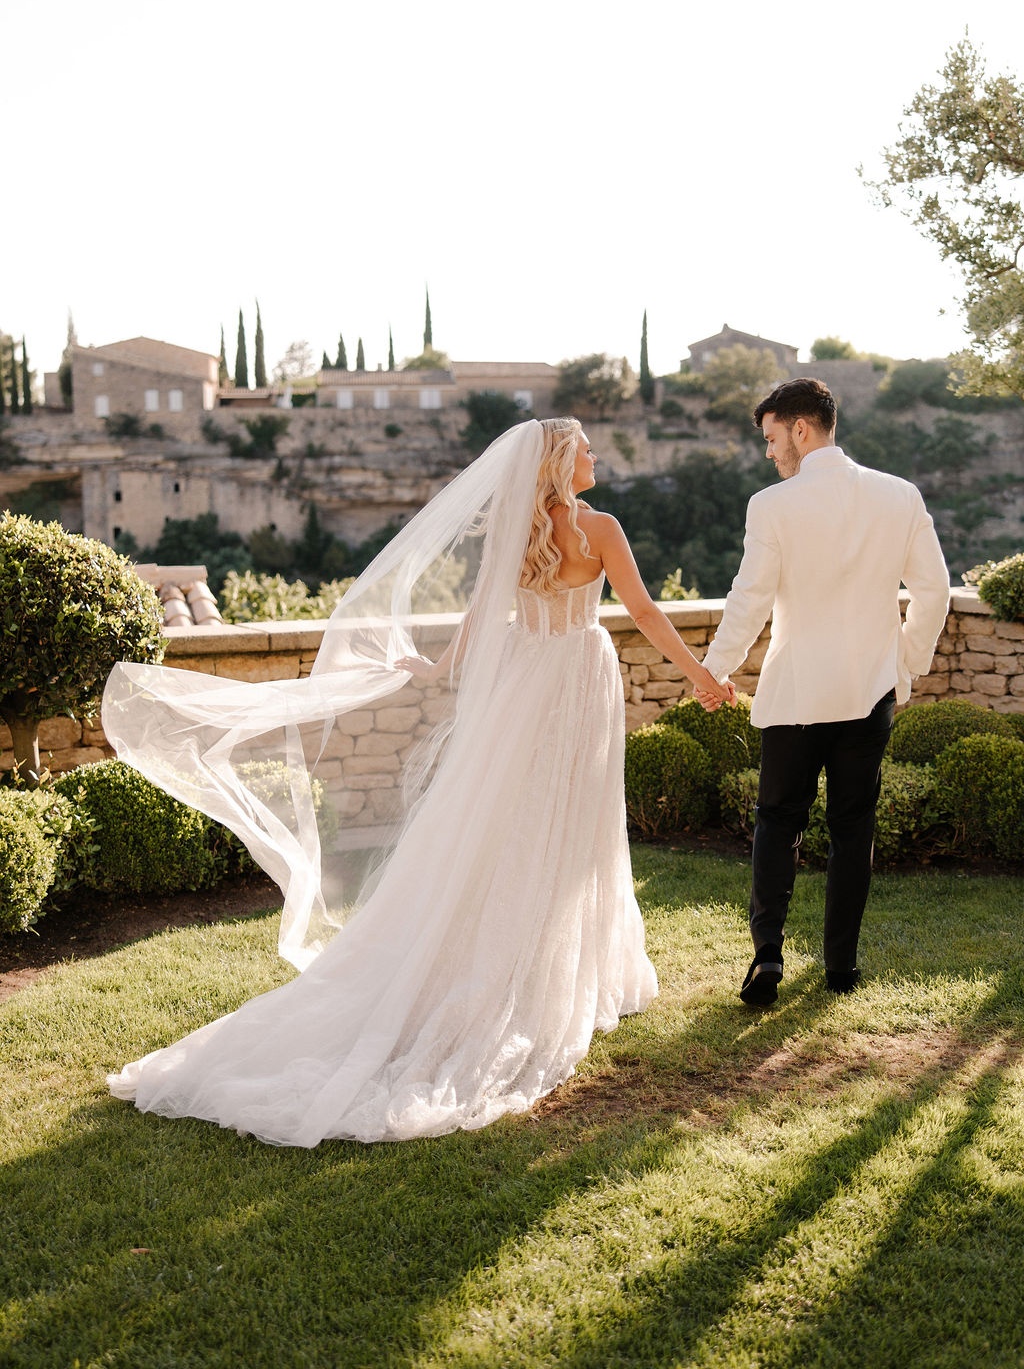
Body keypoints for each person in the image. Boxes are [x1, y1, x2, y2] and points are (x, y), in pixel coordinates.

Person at [104, 418, 729, 1145]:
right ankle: (536, 974)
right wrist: (702, 677)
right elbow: (644, 611)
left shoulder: (519, 530)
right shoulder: (600, 528)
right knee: (570, 821)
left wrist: (436, 671)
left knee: (502, 818)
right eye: (585, 446)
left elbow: (477, 616)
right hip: (576, 679)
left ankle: (530, 954)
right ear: (561, 461)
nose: (596, 455)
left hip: (525, 683)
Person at [696, 378, 949, 1005]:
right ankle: (841, 967)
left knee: (777, 824)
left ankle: (767, 962)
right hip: (869, 691)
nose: (769, 451)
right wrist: (905, 666)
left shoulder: (773, 505)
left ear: (800, 429)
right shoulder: (901, 495)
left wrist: (716, 668)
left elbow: (749, 601)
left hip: (796, 696)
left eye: (772, 437)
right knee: (852, 829)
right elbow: (935, 592)